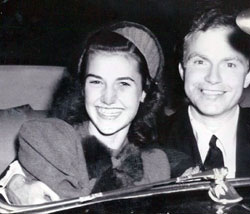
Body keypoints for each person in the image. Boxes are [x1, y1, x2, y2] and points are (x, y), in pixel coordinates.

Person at [0, 21, 170, 205]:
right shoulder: (51, 139)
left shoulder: (155, 166)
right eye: (96, 82)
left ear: (144, 92)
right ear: (83, 88)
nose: (108, 99)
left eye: (123, 84)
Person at [162, 1, 250, 179]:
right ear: (182, 70)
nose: (213, 78)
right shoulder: (151, 143)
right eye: (200, 62)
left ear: (248, 75)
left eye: (229, 64)